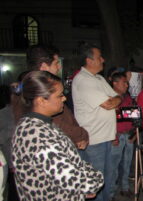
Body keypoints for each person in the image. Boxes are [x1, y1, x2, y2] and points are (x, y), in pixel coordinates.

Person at [12, 71, 104, 200]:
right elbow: (74, 179)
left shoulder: (38, 125)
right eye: (59, 95)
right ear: (41, 101)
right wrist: (96, 178)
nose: (64, 98)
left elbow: (67, 167)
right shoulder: (37, 135)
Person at [11, 44, 89, 152]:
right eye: (56, 63)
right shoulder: (33, 91)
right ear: (43, 67)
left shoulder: (44, 87)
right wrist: (82, 134)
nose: (59, 67)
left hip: (65, 145)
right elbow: (56, 124)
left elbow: (66, 117)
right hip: (54, 151)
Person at [72, 44, 121, 201]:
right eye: (99, 57)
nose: (103, 60)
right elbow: (109, 104)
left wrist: (115, 100)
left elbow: (118, 97)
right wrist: (114, 100)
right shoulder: (83, 80)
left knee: (106, 179)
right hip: (93, 140)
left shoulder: (98, 78)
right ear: (89, 60)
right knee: (95, 183)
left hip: (105, 137)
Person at [109, 72, 135, 198]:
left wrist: (134, 133)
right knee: (113, 166)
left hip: (128, 135)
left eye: (127, 82)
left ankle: (125, 187)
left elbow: (134, 116)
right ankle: (111, 192)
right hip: (117, 136)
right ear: (115, 83)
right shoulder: (109, 98)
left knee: (127, 163)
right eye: (124, 82)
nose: (126, 84)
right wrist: (112, 136)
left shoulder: (128, 98)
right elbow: (107, 120)